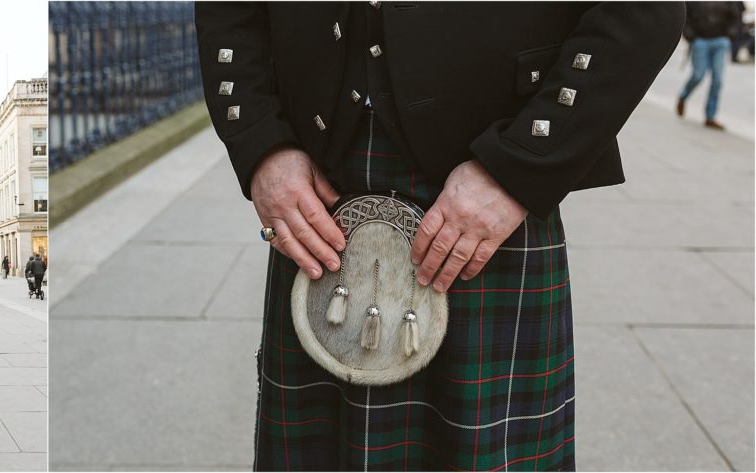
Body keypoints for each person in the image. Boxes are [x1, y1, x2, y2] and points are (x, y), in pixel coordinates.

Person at [196, 3, 684, 470]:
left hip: (485, 192)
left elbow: (642, 8)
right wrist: (261, 143)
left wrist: (519, 166)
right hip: (320, 192)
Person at [676, 1, 741, 130]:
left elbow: (736, 16)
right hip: (700, 41)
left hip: (720, 41)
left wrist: (730, 34)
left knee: (717, 80)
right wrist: (690, 36)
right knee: (698, 75)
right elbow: (685, 15)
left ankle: (710, 117)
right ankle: (683, 96)